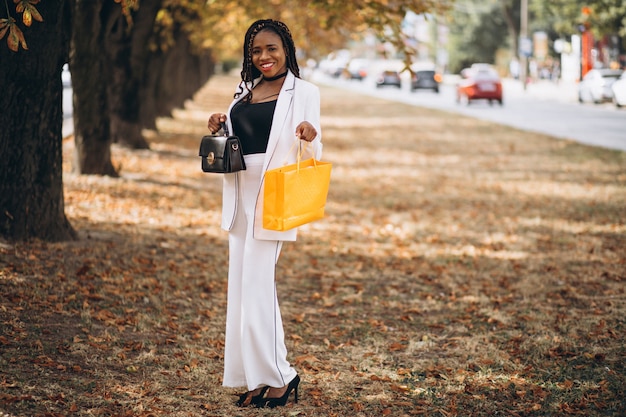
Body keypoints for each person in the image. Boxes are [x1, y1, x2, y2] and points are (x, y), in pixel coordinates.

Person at [206, 19, 322, 408]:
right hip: (239, 197)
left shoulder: (304, 92)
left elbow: (313, 147)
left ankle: (281, 376)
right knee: (241, 291)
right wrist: (220, 126)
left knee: (258, 288)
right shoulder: (244, 91)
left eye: (271, 48)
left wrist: (310, 134)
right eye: (256, 51)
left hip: (274, 198)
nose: (263, 57)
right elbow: (239, 143)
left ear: (286, 48)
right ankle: (253, 378)